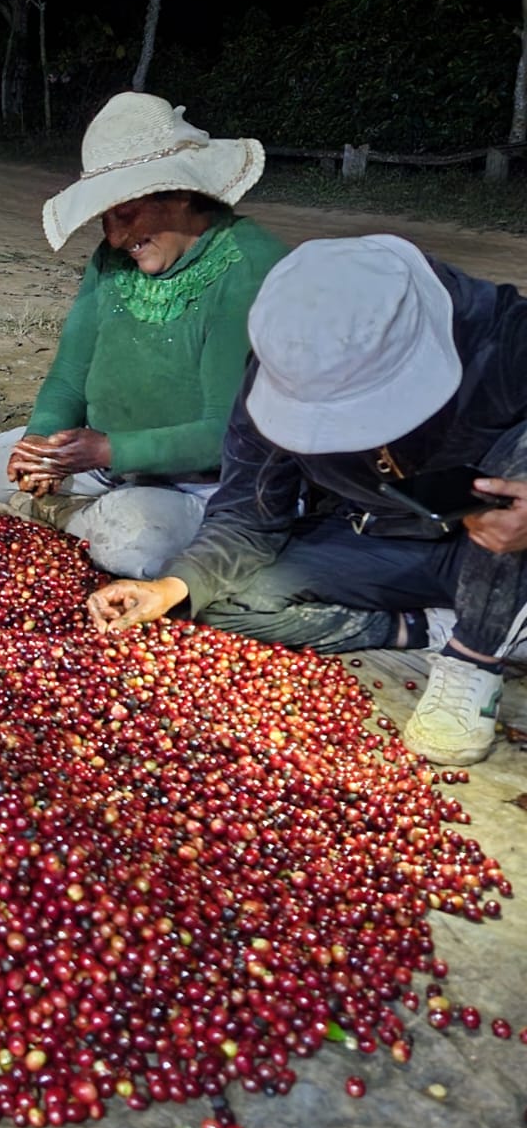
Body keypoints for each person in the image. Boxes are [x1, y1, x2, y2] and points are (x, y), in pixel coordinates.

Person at [87, 233, 527, 767]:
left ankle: (474, 656)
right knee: (210, 597)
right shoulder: (284, 367)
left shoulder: (504, 340)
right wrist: (168, 587)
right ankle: (424, 627)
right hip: (380, 545)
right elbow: (248, 514)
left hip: (505, 559)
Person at [0, 92, 286, 575]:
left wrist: (108, 449)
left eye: (125, 214)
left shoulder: (247, 266)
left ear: (180, 193)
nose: (116, 239)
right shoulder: (111, 259)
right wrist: (40, 443)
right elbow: (70, 375)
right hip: (104, 464)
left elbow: (226, 434)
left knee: (133, 541)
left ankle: (87, 525)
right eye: (106, 218)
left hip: (202, 481)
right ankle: (83, 521)